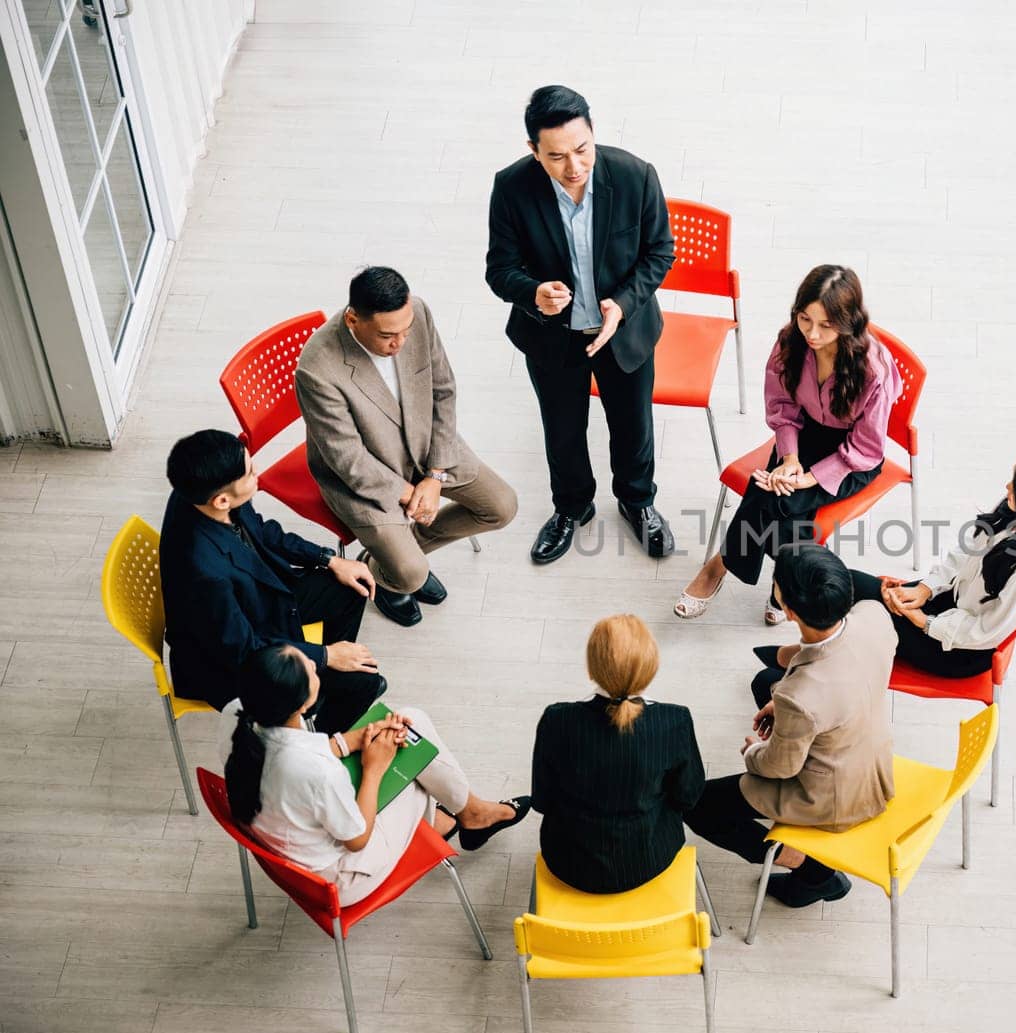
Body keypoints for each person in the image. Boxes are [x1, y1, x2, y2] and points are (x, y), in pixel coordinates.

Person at [485, 84, 676, 565]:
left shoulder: (635, 175)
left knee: (634, 427)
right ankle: (571, 508)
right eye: (556, 157)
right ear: (533, 150)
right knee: (563, 431)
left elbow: (660, 253)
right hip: (552, 338)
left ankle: (637, 502)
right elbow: (499, 268)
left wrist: (623, 304)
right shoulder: (511, 187)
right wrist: (532, 293)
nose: (573, 167)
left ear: (593, 134)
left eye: (582, 149)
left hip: (624, 333)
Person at [674, 265, 900, 624]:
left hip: (851, 456)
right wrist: (790, 457)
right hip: (805, 433)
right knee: (776, 493)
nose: (812, 333)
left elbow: (868, 449)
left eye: (826, 325)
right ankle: (787, 584)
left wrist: (808, 478)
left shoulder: (874, 368)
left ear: (849, 321)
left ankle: (718, 566)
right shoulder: (789, 343)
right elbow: (782, 406)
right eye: (805, 319)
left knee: (770, 494)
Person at [295, 266, 519, 628]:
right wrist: (412, 494)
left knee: (501, 507)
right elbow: (348, 460)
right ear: (353, 319)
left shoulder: (418, 313)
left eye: (405, 330)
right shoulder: (317, 370)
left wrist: (434, 477)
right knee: (412, 575)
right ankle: (387, 572)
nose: (400, 343)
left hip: (427, 448)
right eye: (387, 336)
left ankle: (388, 558)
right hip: (365, 475)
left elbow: (443, 391)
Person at [218, 646, 532, 903]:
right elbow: (356, 839)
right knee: (415, 753)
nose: (315, 665)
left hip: (289, 835)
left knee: (409, 724)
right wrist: (375, 767)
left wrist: (347, 742)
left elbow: (286, 754)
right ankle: (468, 816)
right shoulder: (317, 771)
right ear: (303, 703)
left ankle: (461, 816)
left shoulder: (236, 714)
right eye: (310, 670)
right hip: (341, 876)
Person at [684, 544, 896, 909]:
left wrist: (753, 751)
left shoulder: (801, 698)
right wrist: (786, 702)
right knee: (765, 680)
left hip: (832, 797)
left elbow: (780, 766)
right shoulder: (873, 615)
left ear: (789, 610)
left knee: (698, 804)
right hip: (872, 760)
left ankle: (813, 872)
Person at [761, 444, 1016, 680]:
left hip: (956, 647)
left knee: (862, 613)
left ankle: (807, 666)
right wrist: (926, 589)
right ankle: (811, 658)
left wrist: (923, 622)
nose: (1007, 487)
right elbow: (963, 554)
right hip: (945, 602)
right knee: (850, 586)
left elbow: (986, 631)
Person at [161, 429, 384, 734]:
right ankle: (315, 740)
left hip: (256, 601)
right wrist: (326, 656)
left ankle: (318, 693)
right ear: (223, 499)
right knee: (366, 683)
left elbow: (262, 531)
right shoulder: (203, 573)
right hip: (233, 662)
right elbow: (244, 649)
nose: (258, 475)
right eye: (251, 473)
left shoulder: (208, 494)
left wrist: (328, 559)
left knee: (350, 587)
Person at [529, 615, 706, 894]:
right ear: (652, 668)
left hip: (569, 862)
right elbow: (688, 796)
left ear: (591, 668)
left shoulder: (556, 720)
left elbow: (541, 800)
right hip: (650, 858)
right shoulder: (675, 721)